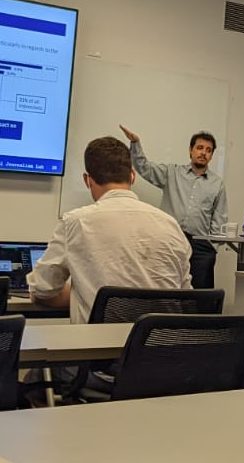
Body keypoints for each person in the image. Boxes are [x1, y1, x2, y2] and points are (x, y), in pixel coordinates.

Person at [28, 136, 192, 323]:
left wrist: (79, 294)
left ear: (87, 180)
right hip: (159, 348)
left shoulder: (75, 223)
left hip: (98, 350)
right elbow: (185, 298)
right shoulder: (170, 224)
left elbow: (41, 289)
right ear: (132, 175)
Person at [120, 125, 227, 289]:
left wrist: (212, 246)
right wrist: (136, 143)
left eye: (208, 150)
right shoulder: (172, 173)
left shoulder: (217, 184)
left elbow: (220, 219)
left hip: (201, 248)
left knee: (201, 298)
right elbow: (144, 168)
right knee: (167, 289)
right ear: (190, 150)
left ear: (211, 155)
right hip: (172, 242)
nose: (203, 153)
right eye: (199, 148)